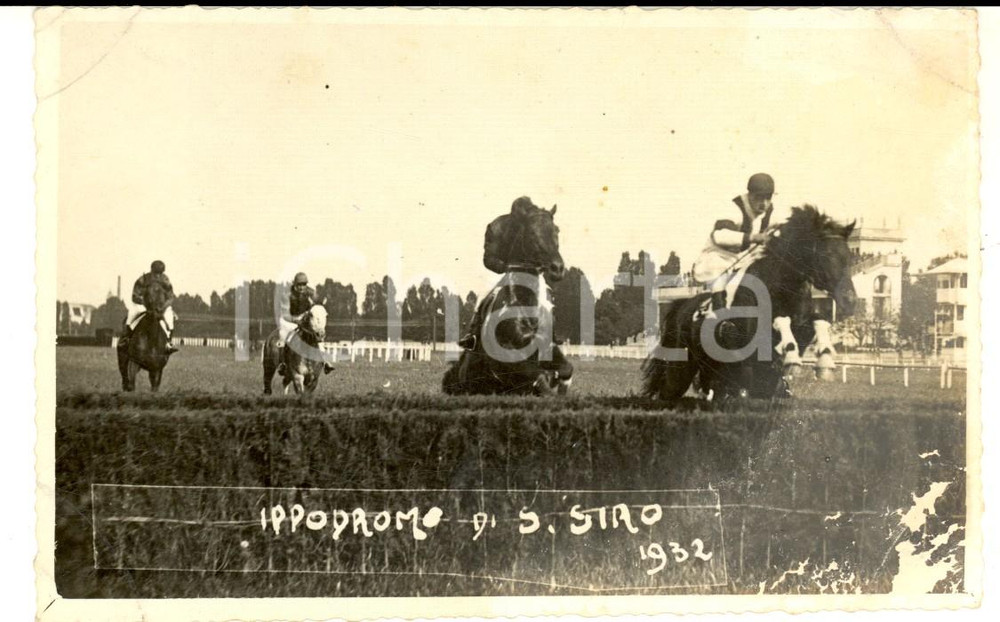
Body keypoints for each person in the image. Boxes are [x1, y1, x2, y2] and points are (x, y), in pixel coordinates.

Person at [458, 197, 538, 350]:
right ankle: (473, 334)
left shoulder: (532, 230)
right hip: (500, 271)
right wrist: (504, 267)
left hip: (525, 274)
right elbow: (488, 258)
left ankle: (551, 334)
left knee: (546, 293)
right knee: (485, 293)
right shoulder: (497, 226)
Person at [276, 272, 334, 375]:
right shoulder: (287, 295)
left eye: (304, 284)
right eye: (299, 285)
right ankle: (283, 363)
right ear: (295, 284)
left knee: (317, 334)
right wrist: (296, 319)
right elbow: (285, 314)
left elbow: (317, 306)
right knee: (283, 335)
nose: (302, 287)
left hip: (305, 321)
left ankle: (326, 362)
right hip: (289, 321)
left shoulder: (311, 293)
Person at [122, 260, 179, 353]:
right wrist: (144, 302)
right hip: (144, 306)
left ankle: (169, 343)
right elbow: (135, 295)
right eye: (155, 273)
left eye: (160, 273)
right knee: (131, 315)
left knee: (169, 320)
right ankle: (126, 339)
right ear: (151, 270)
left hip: (161, 307)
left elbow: (170, 297)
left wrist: (163, 307)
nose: (157, 276)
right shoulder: (143, 279)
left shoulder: (165, 280)